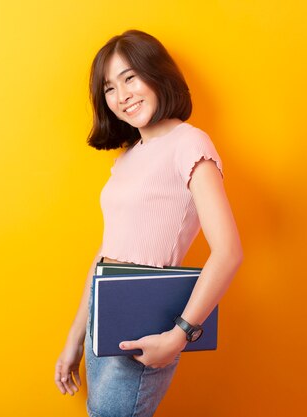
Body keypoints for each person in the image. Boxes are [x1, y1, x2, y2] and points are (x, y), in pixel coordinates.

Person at [54, 29, 243, 417]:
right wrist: (76, 337)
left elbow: (228, 252)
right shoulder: (127, 158)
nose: (122, 95)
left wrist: (180, 336)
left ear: (157, 75)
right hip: (101, 320)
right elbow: (108, 255)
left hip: (146, 324)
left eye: (130, 78)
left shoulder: (189, 143)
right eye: (109, 87)